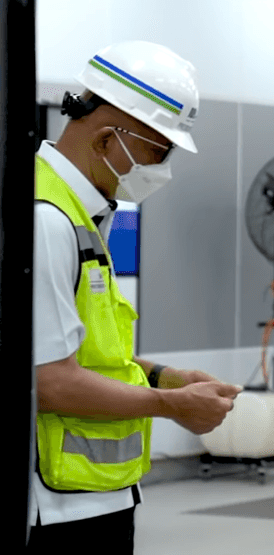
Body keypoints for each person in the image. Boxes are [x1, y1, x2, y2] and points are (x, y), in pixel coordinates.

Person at [29, 41, 242, 553]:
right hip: (58, 505)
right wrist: (171, 405)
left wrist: (168, 377)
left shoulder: (82, 215)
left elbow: (84, 353)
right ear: (108, 138)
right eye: (158, 150)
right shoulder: (46, 219)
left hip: (95, 493)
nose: (162, 168)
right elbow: (51, 381)